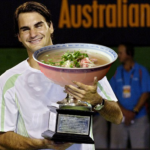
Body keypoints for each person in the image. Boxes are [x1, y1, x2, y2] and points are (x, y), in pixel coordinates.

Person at [0, 2, 123, 150]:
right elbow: (3, 137)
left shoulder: (85, 66)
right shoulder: (8, 79)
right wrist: (43, 144)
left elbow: (117, 117)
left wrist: (98, 101)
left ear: (50, 27)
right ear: (19, 37)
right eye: (25, 29)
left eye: (39, 25)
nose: (33, 34)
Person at [110, 44, 150, 149]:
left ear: (129, 54)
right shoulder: (117, 72)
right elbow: (111, 95)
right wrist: (124, 112)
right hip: (119, 117)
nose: (118, 55)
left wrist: (134, 111)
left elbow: (146, 93)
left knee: (141, 146)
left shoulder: (142, 71)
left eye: (121, 53)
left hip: (139, 117)